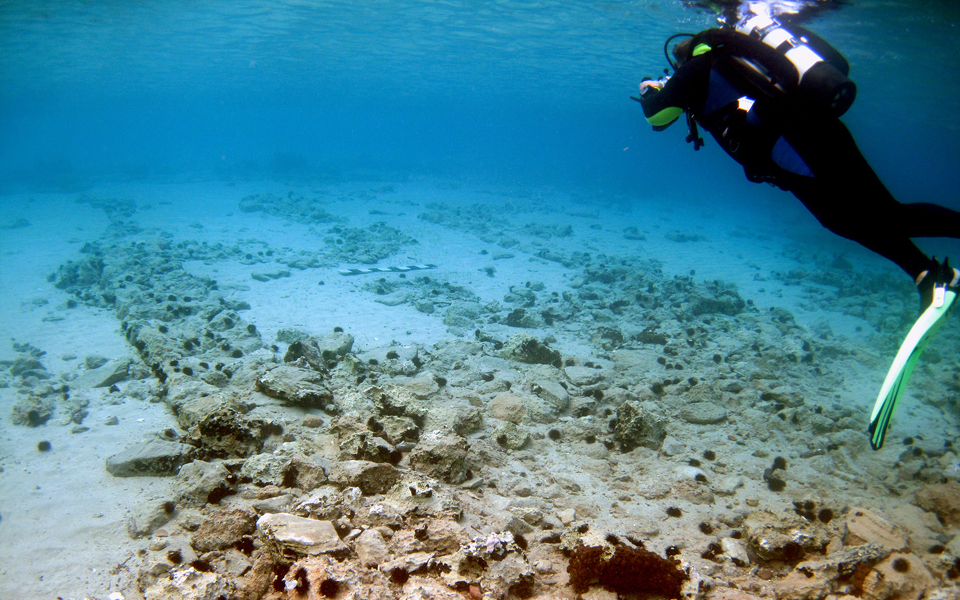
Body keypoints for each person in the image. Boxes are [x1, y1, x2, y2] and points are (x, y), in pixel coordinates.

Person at [635, 11, 960, 313]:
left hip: (792, 148)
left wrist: (649, 89)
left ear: (683, 58)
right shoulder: (731, 61)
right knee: (884, 212)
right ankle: (930, 274)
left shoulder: (697, 67)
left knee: (851, 218)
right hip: (815, 129)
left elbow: (658, 114)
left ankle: (927, 275)